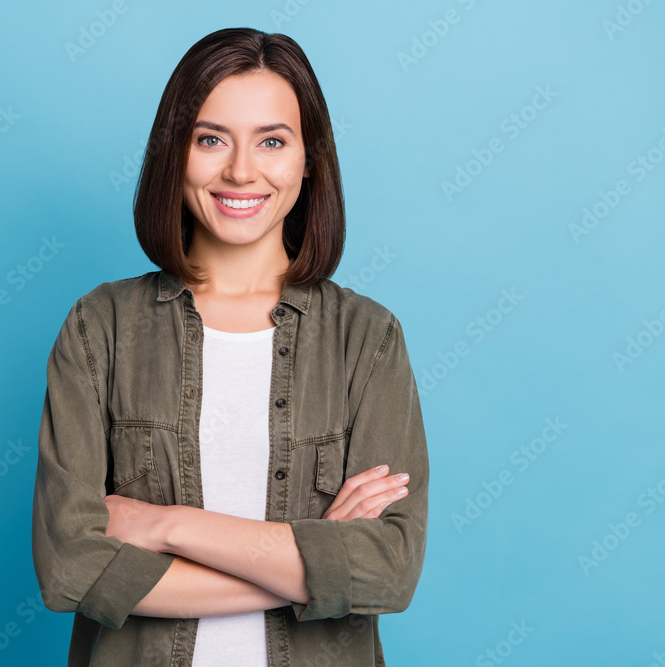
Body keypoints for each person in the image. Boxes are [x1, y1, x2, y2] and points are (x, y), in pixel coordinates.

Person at [31, 27, 429, 666]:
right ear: (174, 154)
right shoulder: (98, 328)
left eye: (272, 141)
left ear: (309, 159)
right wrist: (311, 560)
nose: (241, 170)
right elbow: (69, 567)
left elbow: (387, 571)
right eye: (210, 139)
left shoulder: (367, 338)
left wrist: (166, 525)